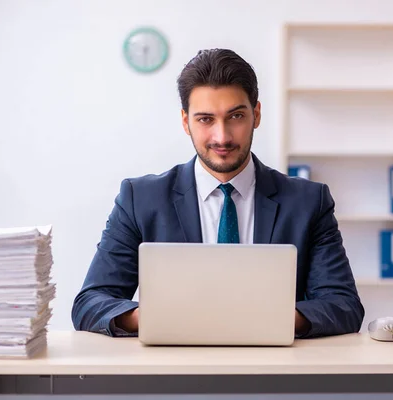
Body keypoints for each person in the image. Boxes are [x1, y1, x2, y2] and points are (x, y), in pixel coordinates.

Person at [71, 48, 364, 338]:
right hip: (174, 373)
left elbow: (344, 306)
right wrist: (150, 317)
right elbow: (90, 303)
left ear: (256, 115)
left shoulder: (308, 202)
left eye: (235, 116)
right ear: (186, 121)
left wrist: (278, 319)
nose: (222, 137)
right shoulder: (140, 199)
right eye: (205, 119)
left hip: (275, 373)